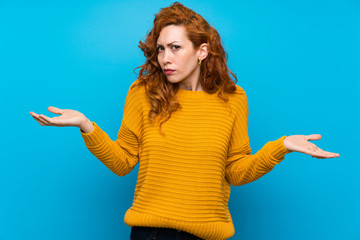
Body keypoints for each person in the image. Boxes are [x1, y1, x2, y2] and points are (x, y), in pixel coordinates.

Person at [29, 2, 340, 240]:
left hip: (208, 234)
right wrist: (87, 126)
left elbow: (236, 171)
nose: (165, 57)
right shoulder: (143, 93)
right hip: (151, 233)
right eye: (162, 48)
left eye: (176, 47)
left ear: (201, 50)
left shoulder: (233, 99)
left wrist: (281, 146)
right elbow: (123, 162)